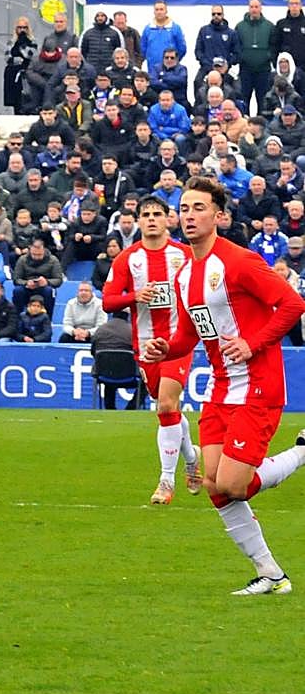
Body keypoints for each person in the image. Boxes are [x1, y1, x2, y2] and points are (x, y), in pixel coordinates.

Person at [143, 176, 305, 595]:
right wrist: (166, 348)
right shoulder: (185, 276)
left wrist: (254, 342)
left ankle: (301, 452)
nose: (189, 215)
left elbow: (292, 303)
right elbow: (191, 335)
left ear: (220, 216)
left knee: (233, 483)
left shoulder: (239, 261)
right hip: (219, 389)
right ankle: (271, 574)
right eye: (184, 208)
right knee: (217, 488)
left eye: (199, 208)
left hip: (257, 385)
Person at [101, 195, 200, 503]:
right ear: (138, 221)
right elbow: (108, 301)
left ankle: (166, 482)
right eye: (146, 214)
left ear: (168, 219)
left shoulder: (185, 255)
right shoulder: (127, 259)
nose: (152, 219)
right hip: (145, 345)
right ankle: (192, 459)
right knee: (166, 408)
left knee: (167, 406)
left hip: (178, 342)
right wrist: (135, 296)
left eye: (158, 213)